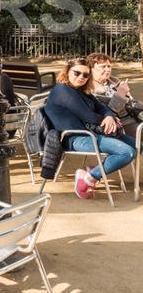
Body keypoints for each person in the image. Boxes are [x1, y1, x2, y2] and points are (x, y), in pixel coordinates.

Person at [43, 57, 137, 200]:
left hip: (93, 133)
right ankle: (88, 178)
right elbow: (87, 116)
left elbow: (102, 108)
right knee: (127, 152)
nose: (81, 77)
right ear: (67, 72)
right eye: (77, 73)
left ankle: (94, 169)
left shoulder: (81, 90)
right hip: (76, 138)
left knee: (137, 146)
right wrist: (108, 118)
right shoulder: (61, 90)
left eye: (86, 75)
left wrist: (109, 116)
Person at [88, 52, 143, 137]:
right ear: (91, 69)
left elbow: (132, 103)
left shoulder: (115, 82)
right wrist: (120, 95)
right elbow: (105, 114)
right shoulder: (90, 89)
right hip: (120, 125)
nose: (108, 69)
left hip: (135, 117)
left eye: (109, 66)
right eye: (103, 66)